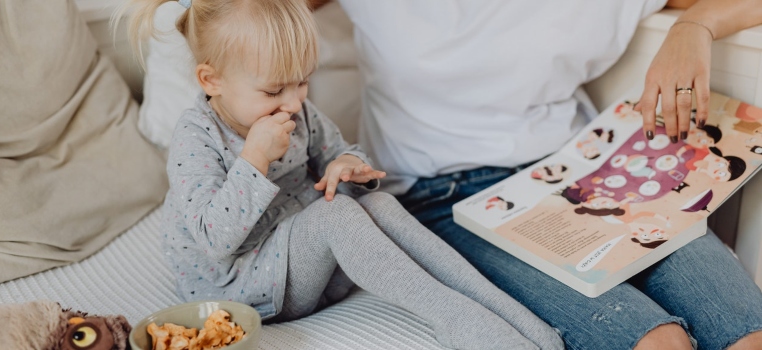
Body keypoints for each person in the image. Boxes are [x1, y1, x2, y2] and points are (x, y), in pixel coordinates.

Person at [115, 0, 566, 349]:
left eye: (302, 82)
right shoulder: (196, 138)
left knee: (379, 202)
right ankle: (456, 321)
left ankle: (515, 319)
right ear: (210, 80)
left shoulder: (295, 110)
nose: (293, 102)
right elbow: (215, 240)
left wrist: (347, 167)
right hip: (244, 290)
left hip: (311, 272)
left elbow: (339, 153)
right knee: (337, 218)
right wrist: (253, 161)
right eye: (273, 90)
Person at [314, 0, 762, 348]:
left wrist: (694, 27)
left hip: (584, 173)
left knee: (748, 335)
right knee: (657, 343)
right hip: (441, 199)